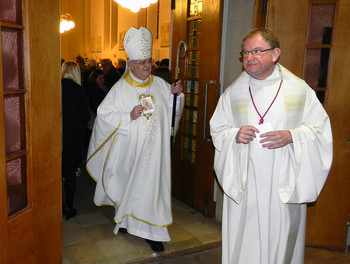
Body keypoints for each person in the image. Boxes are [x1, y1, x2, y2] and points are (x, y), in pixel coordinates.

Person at [210, 28, 333, 264]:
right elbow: (218, 129)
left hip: (282, 183)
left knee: (279, 241)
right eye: (245, 52)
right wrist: (234, 134)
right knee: (245, 239)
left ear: (275, 53)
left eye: (257, 51)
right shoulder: (233, 93)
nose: (249, 57)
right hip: (245, 184)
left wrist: (292, 135)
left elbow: (320, 130)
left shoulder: (298, 89)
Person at [86, 26, 184, 252]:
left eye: (149, 61)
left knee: (150, 189)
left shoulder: (159, 84)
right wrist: (127, 116)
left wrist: (175, 95)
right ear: (130, 65)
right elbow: (103, 115)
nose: (147, 65)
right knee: (130, 186)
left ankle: (152, 231)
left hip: (155, 152)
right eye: (141, 62)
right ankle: (127, 220)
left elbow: (169, 110)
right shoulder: (120, 89)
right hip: (130, 150)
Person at [61, 61, 90, 220]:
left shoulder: (54, 87)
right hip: (72, 136)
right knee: (70, 173)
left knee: (56, 174)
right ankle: (68, 206)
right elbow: (85, 116)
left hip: (55, 136)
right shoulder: (79, 90)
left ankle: (55, 206)